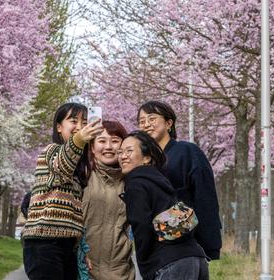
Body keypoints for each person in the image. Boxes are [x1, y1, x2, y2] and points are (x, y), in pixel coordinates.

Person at [22, 103, 104, 280]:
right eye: (73, 121)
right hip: (43, 243)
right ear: (59, 127)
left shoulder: (80, 164)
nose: (80, 126)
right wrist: (81, 138)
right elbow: (62, 164)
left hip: (67, 245)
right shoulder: (51, 151)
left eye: (84, 121)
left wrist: (81, 250)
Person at [136, 101, 222, 261]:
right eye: (142, 121)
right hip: (153, 246)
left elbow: (205, 198)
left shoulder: (188, 152)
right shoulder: (142, 159)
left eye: (152, 119)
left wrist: (210, 246)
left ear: (169, 123)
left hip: (185, 243)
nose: (146, 124)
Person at [119, 131, 208, 280]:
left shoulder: (135, 184)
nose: (122, 156)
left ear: (147, 157)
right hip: (195, 259)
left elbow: (141, 227)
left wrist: (146, 266)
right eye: (120, 152)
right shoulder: (160, 179)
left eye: (129, 151)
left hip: (170, 263)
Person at [76, 120, 135, 280]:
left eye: (115, 141)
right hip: (84, 270)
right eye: (102, 141)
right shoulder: (81, 176)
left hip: (121, 272)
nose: (108, 147)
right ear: (92, 147)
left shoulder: (133, 181)